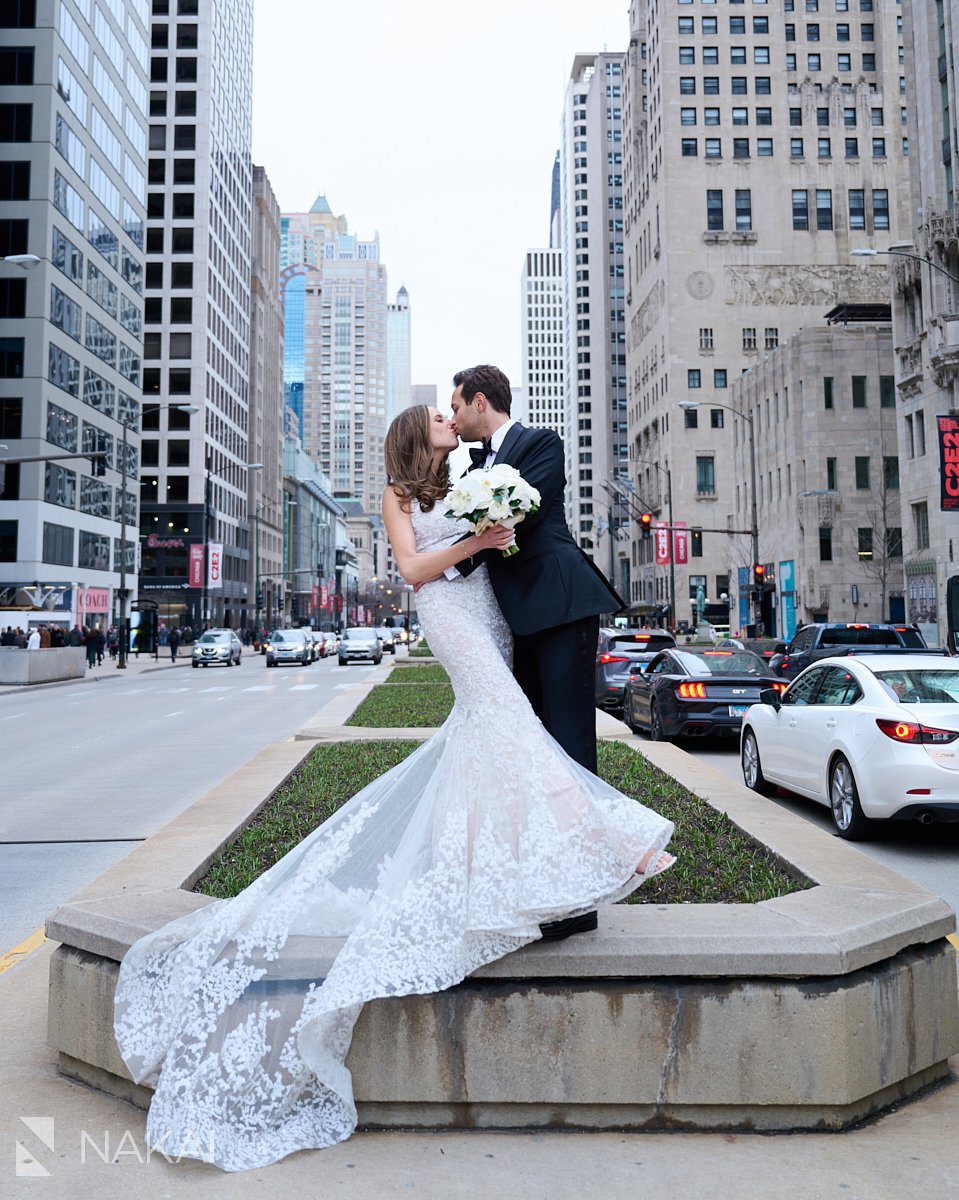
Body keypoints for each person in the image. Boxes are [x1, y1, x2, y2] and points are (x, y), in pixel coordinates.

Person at [113, 401, 675, 1173]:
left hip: (488, 613)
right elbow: (411, 569)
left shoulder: (469, 477)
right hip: (445, 612)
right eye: (439, 419)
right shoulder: (399, 495)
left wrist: (494, 534)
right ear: (417, 437)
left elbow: (492, 545)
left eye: (455, 413)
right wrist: (479, 537)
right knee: (508, 724)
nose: (451, 420)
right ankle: (610, 837)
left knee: (488, 742)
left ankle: (492, 870)